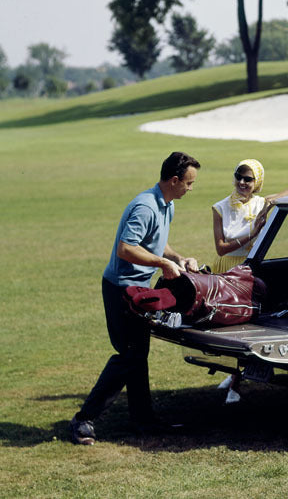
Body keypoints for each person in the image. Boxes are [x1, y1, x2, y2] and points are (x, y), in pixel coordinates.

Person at [69, 152, 202, 445]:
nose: (191, 188)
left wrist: (177, 258)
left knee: (138, 356)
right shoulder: (145, 206)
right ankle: (83, 419)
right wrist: (162, 263)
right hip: (121, 289)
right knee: (129, 356)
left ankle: (143, 420)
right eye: (189, 183)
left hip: (139, 290)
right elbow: (126, 248)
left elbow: (155, 241)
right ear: (174, 180)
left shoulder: (166, 205)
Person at [210, 159, 288, 403]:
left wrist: (273, 199)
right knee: (226, 328)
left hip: (249, 270)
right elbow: (221, 248)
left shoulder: (261, 203)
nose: (242, 182)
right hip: (228, 269)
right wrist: (252, 233)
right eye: (239, 177)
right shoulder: (220, 207)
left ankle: (235, 380)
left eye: (248, 179)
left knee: (246, 326)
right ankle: (234, 375)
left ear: (257, 182)